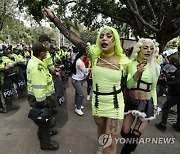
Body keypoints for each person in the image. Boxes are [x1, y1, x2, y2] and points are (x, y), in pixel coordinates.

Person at [43, 8, 130, 154]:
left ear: (115, 41)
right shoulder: (94, 54)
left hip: (116, 104)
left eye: (109, 36)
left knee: (112, 140)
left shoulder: (124, 61)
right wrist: (54, 19)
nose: (104, 38)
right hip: (97, 102)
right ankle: (101, 146)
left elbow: (126, 85)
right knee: (101, 131)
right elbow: (70, 35)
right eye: (101, 36)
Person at [121, 38, 161, 154]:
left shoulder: (156, 67)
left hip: (147, 104)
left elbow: (153, 88)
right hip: (131, 102)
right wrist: (138, 73)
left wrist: (154, 104)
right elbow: (128, 85)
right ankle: (131, 143)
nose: (149, 50)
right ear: (139, 50)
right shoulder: (130, 64)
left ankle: (129, 147)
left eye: (152, 48)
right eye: (146, 48)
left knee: (135, 135)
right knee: (124, 132)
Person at [27, 42, 59, 150]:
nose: (46, 54)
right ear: (41, 53)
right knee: (43, 120)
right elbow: (39, 86)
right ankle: (46, 144)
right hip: (40, 99)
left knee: (45, 120)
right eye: (45, 52)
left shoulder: (33, 61)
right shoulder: (37, 67)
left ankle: (46, 134)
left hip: (39, 97)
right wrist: (43, 102)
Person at [155, 57, 180, 132]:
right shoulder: (178, 67)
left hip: (178, 93)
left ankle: (163, 124)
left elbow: (177, 82)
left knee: (166, 106)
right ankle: (178, 125)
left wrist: (166, 83)